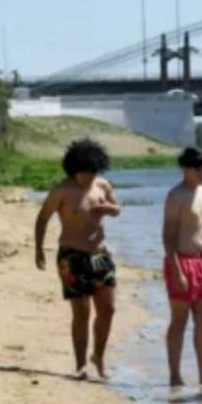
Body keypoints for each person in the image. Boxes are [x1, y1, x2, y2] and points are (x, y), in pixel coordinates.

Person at [34, 139, 121, 381]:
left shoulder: (102, 185)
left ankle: (98, 356)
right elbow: (42, 218)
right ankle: (81, 363)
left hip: (100, 255)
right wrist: (39, 249)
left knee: (108, 308)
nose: (89, 178)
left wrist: (106, 209)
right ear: (73, 170)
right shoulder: (62, 191)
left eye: (93, 172)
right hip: (72, 255)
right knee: (81, 310)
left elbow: (117, 208)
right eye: (84, 173)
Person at [162, 146, 202, 387]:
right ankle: (175, 375)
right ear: (185, 169)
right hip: (182, 261)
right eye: (199, 169)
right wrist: (177, 271)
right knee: (179, 320)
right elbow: (168, 236)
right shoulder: (176, 195)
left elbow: (201, 228)